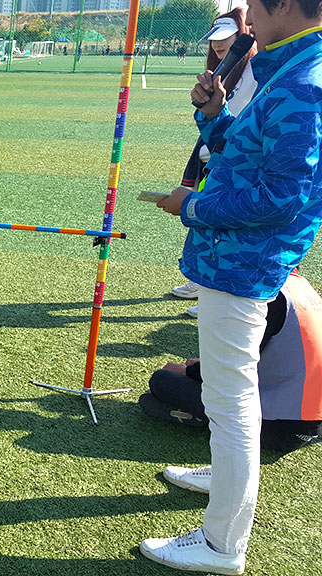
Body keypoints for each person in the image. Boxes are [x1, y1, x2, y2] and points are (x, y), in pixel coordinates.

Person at [145, 0, 322, 573]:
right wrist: (214, 114)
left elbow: (282, 198)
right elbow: (247, 155)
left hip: (243, 263)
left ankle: (222, 545)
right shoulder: (291, 70)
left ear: (286, 5)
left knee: (231, 402)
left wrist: (190, 206)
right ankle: (224, 479)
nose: (246, 25)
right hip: (238, 258)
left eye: (256, 9)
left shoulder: (305, 83)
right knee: (229, 396)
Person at [142, 269, 322, 457]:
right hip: (307, 422)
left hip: (273, 426)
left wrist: (188, 371)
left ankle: (204, 419)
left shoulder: (267, 295)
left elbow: (230, 365)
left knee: (161, 380)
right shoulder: (303, 289)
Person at [170, 8, 258, 319]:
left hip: (238, 159)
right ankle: (203, 283)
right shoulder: (226, 70)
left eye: (226, 38)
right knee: (208, 217)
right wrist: (211, 113)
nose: (218, 44)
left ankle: (215, 292)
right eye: (214, 39)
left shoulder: (258, 70)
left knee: (220, 219)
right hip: (218, 152)